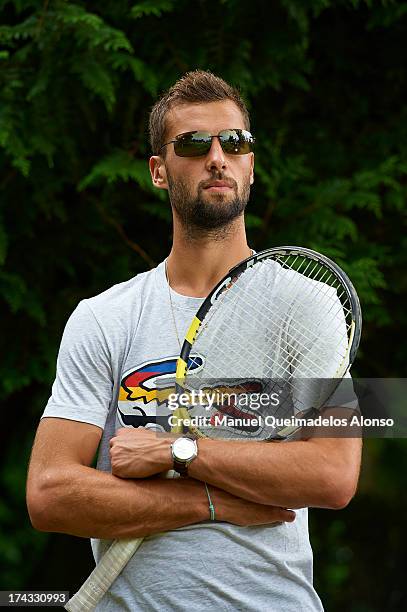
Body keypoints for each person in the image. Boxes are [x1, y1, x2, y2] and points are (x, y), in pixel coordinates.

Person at [27, 70, 362, 611]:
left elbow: (332, 473)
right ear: (159, 171)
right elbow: (50, 494)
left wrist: (176, 450)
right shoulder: (104, 317)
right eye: (192, 143)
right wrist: (210, 501)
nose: (217, 156)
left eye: (235, 142)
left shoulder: (308, 304)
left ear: (251, 166)